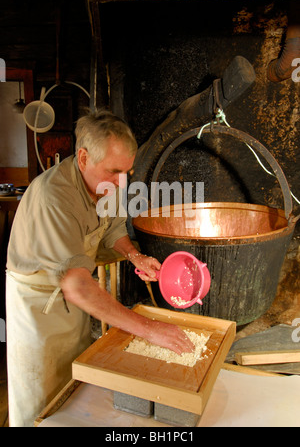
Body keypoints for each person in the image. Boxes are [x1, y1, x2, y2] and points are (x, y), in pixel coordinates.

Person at [5, 109, 194, 427]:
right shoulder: (54, 198)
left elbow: (112, 230)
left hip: (74, 298)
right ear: (82, 158)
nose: (122, 183)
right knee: (39, 399)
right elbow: (77, 285)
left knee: (72, 388)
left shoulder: (108, 184)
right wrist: (150, 330)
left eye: (128, 172)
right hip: (37, 307)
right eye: (114, 171)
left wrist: (135, 256)